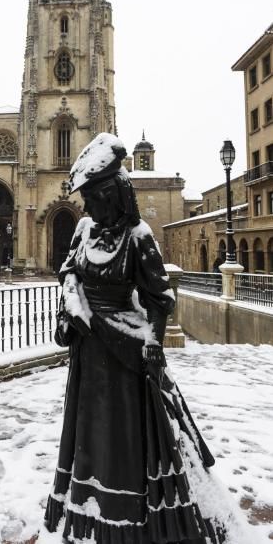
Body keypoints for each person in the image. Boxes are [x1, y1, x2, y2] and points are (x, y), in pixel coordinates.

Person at [45, 133, 240, 544]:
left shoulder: (138, 236)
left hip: (125, 352)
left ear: (114, 194)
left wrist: (152, 342)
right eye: (85, 199)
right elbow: (68, 273)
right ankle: (86, 504)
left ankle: (129, 515)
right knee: (90, 430)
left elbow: (160, 297)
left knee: (125, 435)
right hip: (89, 351)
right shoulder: (83, 230)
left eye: (95, 197)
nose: (88, 206)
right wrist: (72, 308)